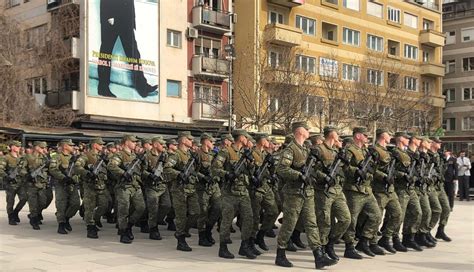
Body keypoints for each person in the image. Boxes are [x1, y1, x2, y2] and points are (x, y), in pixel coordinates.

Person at [275, 121, 336, 269]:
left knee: (311, 223)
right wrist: (299, 175)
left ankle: (318, 256)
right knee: (289, 224)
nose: (309, 131)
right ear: (300, 131)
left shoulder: (306, 149)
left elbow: (313, 169)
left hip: (307, 192)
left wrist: (322, 175)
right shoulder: (291, 149)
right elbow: (281, 169)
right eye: (307, 129)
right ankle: (280, 254)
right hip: (294, 193)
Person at [97, 0, 157, 98]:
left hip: (126, 18)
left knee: (134, 55)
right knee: (106, 53)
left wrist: (132, 20)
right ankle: (103, 88)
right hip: (112, 19)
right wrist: (109, 15)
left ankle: (143, 88)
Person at [212, 129, 256, 259]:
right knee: (227, 220)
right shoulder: (226, 151)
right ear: (241, 138)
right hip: (229, 192)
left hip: (243, 191)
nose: (248, 140)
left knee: (249, 218)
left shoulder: (245, 153)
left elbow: (251, 171)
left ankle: (244, 246)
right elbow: (215, 168)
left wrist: (251, 161)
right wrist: (227, 174)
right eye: (246, 137)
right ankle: (223, 248)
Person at [312, 126, 351, 261]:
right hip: (324, 191)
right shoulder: (318, 149)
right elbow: (311, 170)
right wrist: (324, 177)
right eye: (336, 132)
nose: (338, 134)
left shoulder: (336, 151)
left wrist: (345, 159)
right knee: (324, 222)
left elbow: (344, 169)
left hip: (337, 190)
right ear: (330, 134)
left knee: (345, 219)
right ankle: (322, 249)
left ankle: (331, 242)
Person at [164, 131, 200, 252]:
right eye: (189, 139)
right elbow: (167, 169)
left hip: (191, 188)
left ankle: (183, 231)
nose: (192, 141)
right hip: (179, 189)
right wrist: (179, 174)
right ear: (184, 140)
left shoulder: (190, 154)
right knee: (181, 216)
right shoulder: (176, 155)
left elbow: (195, 170)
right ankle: (181, 239)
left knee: (196, 212)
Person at [107, 135, 146, 244]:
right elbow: (111, 166)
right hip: (124, 186)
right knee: (123, 210)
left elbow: (141, 170)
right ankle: (123, 232)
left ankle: (129, 225)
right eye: (133, 142)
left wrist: (143, 162)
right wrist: (123, 173)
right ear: (126, 142)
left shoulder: (134, 155)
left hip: (135, 185)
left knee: (141, 208)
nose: (135, 144)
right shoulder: (119, 155)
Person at [371, 129, 403, 254]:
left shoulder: (388, 152)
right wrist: (384, 176)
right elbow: (372, 169)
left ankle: (385, 237)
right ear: (383, 136)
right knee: (376, 217)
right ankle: (372, 242)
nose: (390, 136)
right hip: (379, 189)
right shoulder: (374, 150)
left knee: (397, 214)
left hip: (390, 190)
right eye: (388, 134)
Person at [74, 137, 109, 239]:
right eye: (100, 144)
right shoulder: (86, 156)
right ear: (94, 145)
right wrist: (87, 173)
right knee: (90, 207)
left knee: (104, 204)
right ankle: (90, 227)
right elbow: (77, 166)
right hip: (90, 186)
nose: (102, 146)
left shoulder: (101, 156)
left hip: (101, 185)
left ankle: (96, 218)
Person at [249, 133, 279, 252]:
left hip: (266, 187)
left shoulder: (266, 154)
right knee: (255, 217)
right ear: (261, 141)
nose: (268, 142)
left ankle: (260, 235)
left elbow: (272, 171)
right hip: (255, 189)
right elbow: (248, 170)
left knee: (273, 211)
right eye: (266, 140)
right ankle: (251, 241)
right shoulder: (251, 153)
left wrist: (271, 166)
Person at [49, 139, 81, 234]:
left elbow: (77, 170)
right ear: (65, 146)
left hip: (72, 184)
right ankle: (61, 224)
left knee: (75, 204)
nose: (73, 147)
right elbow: (53, 169)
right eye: (70, 145)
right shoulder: (56, 157)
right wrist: (63, 178)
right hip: (61, 184)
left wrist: (74, 178)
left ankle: (66, 218)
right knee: (61, 205)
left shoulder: (73, 158)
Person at [195, 133, 221, 247]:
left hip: (214, 186)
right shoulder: (197, 154)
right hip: (203, 187)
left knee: (217, 208)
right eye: (211, 142)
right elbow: (193, 170)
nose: (213, 144)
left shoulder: (214, 154)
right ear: (205, 141)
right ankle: (202, 236)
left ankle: (208, 230)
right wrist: (203, 177)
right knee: (203, 212)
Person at [142, 136, 170, 241]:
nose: (163, 146)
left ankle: (156, 221)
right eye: (161, 144)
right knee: (153, 209)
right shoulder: (147, 156)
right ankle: (153, 229)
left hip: (163, 185)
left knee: (167, 205)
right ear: (155, 144)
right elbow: (142, 170)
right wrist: (150, 175)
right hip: (151, 186)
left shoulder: (165, 155)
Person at [24, 141, 50, 230]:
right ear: (36, 147)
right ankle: (34, 220)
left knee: (43, 202)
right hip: (32, 184)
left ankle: (34, 215)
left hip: (42, 184)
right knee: (33, 204)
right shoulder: (28, 157)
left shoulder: (45, 158)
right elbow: (21, 169)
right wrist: (27, 175)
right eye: (42, 148)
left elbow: (49, 169)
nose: (44, 150)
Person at [1, 140, 28, 226]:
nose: (19, 148)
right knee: (10, 201)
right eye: (17, 146)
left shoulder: (21, 157)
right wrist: (6, 177)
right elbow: (0, 169)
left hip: (20, 183)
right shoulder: (6, 158)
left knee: (24, 198)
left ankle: (15, 212)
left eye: (19, 146)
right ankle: (10, 217)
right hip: (10, 184)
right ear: (12, 147)